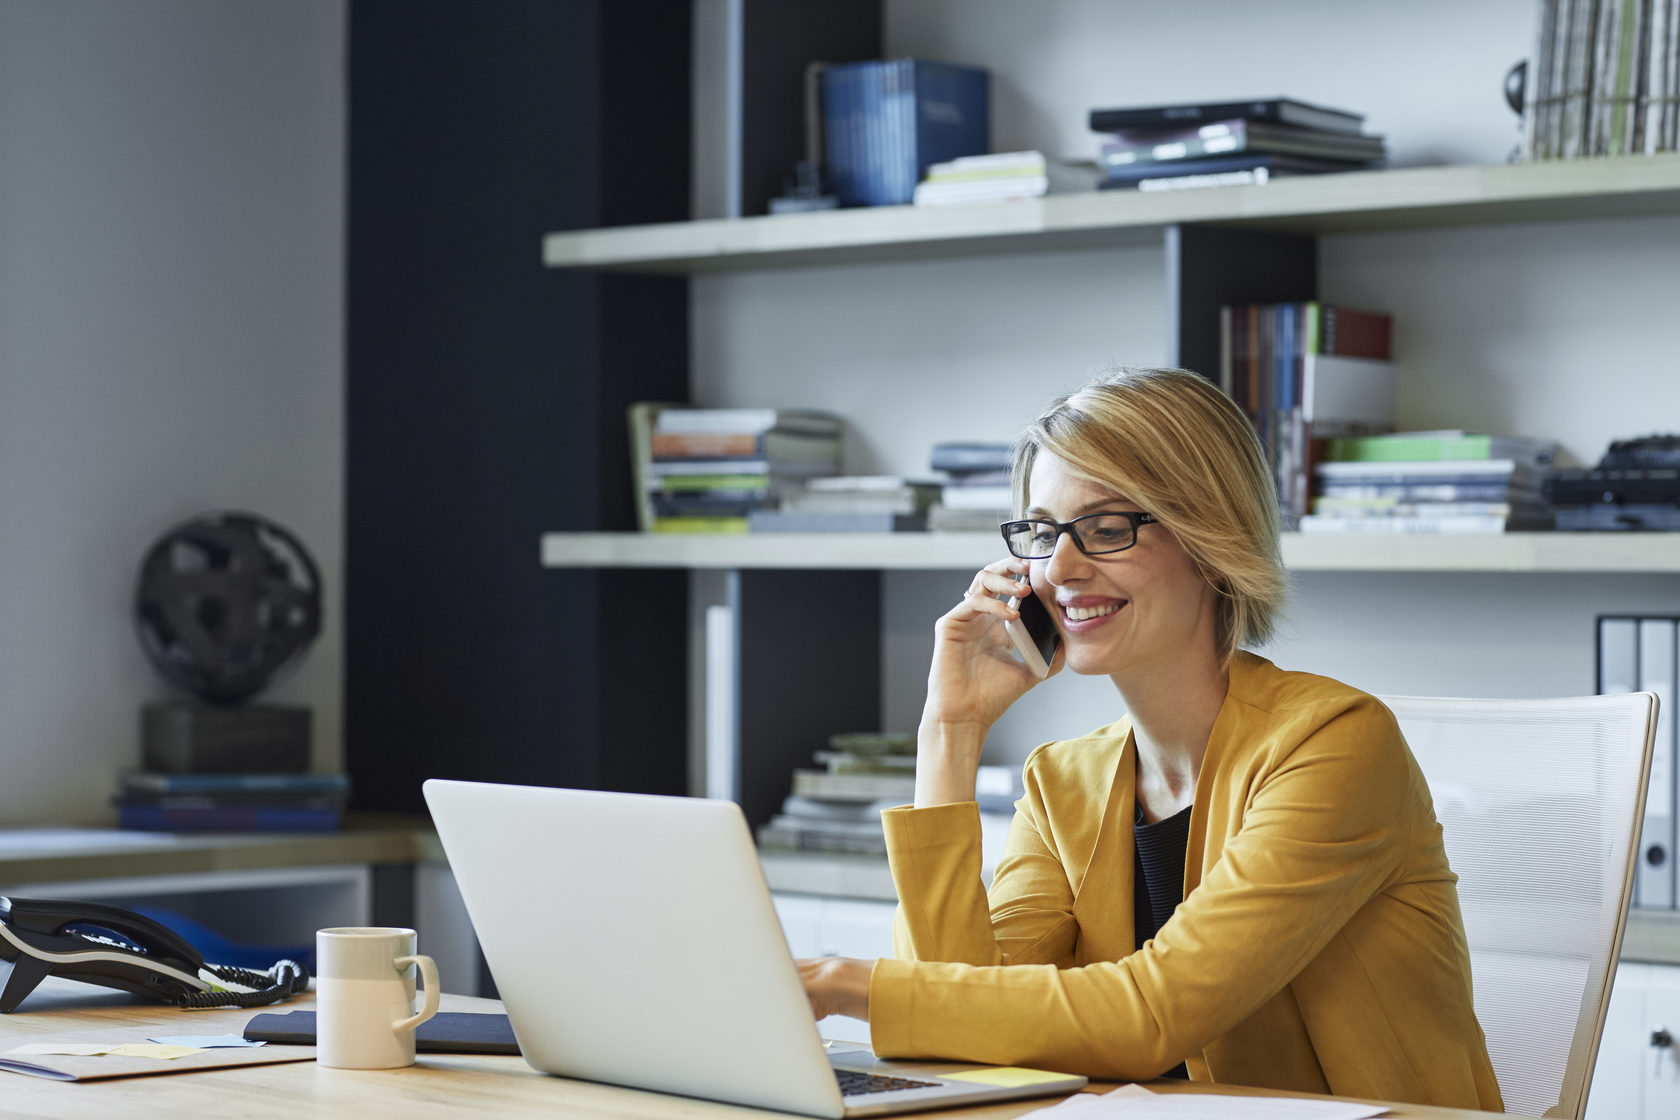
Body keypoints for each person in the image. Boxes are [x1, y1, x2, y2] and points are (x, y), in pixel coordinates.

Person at [797, 367, 1503, 1110]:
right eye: (1042, 533)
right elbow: (957, 1029)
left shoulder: (1335, 744)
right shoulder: (1061, 783)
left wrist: (842, 984)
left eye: (1106, 529)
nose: (1059, 569)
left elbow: (1152, 1013)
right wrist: (951, 730)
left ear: (1210, 537)